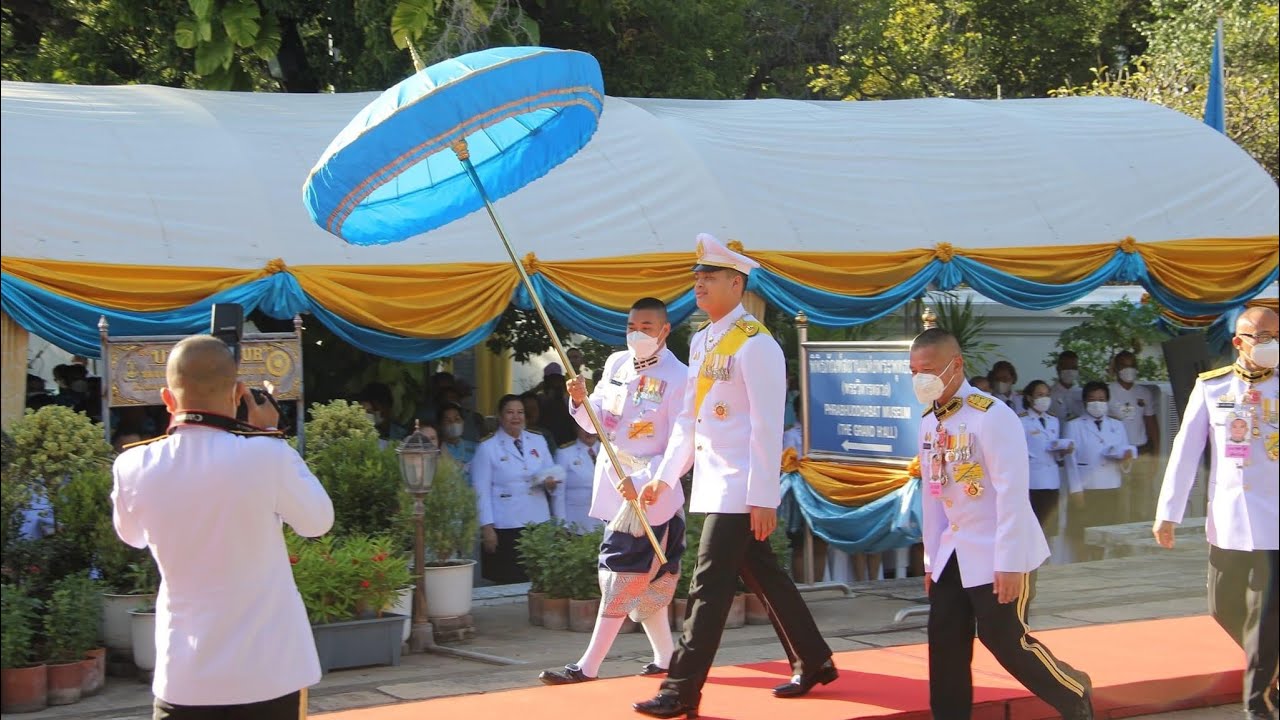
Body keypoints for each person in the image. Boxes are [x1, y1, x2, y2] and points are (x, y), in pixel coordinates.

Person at [633, 234, 835, 719]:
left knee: (708, 586)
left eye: (709, 277)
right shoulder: (702, 339)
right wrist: (665, 475)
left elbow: (767, 426)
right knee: (763, 573)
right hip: (712, 480)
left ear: (736, 283)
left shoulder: (757, 343)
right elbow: (689, 418)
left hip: (741, 486)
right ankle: (814, 659)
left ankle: (681, 689)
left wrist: (763, 496)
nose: (699, 285)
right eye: (697, 277)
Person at [111, 335, 333, 719]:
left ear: (167, 399)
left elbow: (133, 537)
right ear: (239, 394)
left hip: (185, 674)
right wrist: (269, 435)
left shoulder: (133, 466)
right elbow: (318, 522)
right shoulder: (267, 455)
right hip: (270, 671)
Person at [911, 328, 1094, 720]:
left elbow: (1013, 493)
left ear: (955, 365)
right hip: (954, 551)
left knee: (1005, 640)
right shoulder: (929, 421)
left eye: (927, 369)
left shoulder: (991, 415)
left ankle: (1073, 693)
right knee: (944, 638)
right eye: (913, 370)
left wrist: (1009, 564)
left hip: (999, 548)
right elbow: (934, 495)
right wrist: (931, 561)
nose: (919, 378)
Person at [538, 297, 689, 686]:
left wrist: (645, 482)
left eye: (647, 326)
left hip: (651, 493)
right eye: (632, 326)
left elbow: (683, 444)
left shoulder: (680, 377)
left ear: (665, 330)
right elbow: (601, 422)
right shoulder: (616, 363)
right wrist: (579, 400)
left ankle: (588, 666)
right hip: (615, 484)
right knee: (645, 578)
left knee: (620, 573)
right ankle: (666, 657)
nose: (638, 334)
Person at [1153, 307, 1279, 720]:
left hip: (1276, 523)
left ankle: (1257, 704)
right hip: (1229, 522)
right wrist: (1168, 511)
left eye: (1276, 335)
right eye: (1262, 336)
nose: (1271, 344)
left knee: (1264, 617)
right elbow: (1185, 451)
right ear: (1239, 342)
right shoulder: (1212, 386)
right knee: (1222, 606)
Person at [473, 394, 564, 584]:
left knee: (541, 578)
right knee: (510, 579)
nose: (516, 417)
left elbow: (552, 471)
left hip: (538, 519)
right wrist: (487, 528)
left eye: (520, 412)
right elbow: (480, 491)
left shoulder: (538, 440)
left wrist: (551, 484)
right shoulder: (488, 447)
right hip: (506, 522)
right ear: (500, 416)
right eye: (510, 412)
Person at [1062, 382, 1136, 562]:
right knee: (1081, 531)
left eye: (1101, 399)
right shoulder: (1074, 425)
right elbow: (1070, 462)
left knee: (1105, 530)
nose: (1097, 403)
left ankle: (1100, 562)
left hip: (1110, 484)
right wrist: (1075, 489)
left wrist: (1125, 460)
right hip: (1087, 487)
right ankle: (1081, 563)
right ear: (1085, 401)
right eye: (1093, 399)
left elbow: (1125, 456)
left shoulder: (1117, 425)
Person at [1107, 350, 1159, 520]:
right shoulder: (1108, 392)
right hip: (1118, 456)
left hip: (1142, 453)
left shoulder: (1144, 393)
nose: (1128, 370)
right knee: (1122, 505)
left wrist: (1156, 455)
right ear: (1116, 368)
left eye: (1132, 366)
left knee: (1143, 504)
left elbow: (1151, 423)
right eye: (1123, 366)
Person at [1021, 381, 1072, 543]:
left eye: (1047, 395)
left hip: (1052, 479)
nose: (1044, 399)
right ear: (1029, 398)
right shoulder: (1021, 420)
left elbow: (1054, 450)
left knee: (1049, 528)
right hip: (1032, 481)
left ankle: (1048, 564)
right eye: (1040, 395)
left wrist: (1063, 450)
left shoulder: (1053, 420)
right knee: (1032, 528)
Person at [555, 426, 604, 533]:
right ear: (576, 428)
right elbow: (558, 493)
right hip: (577, 523)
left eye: (592, 427)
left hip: (605, 523)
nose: (589, 431)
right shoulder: (565, 453)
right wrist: (561, 524)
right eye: (584, 427)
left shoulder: (609, 451)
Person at [540, 362, 579, 446]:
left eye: (557, 380)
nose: (555, 383)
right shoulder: (540, 401)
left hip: (569, 442)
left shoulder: (569, 400)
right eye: (552, 380)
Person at [438, 402, 478, 476]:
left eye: (457, 419)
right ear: (440, 425)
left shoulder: (477, 448)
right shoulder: (437, 450)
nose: (453, 423)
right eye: (448, 420)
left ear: (463, 422)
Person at [1049, 351, 1085, 423]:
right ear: (1058, 369)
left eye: (1073, 368)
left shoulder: (1083, 393)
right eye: (1066, 367)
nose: (1070, 371)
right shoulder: (1049, 394)